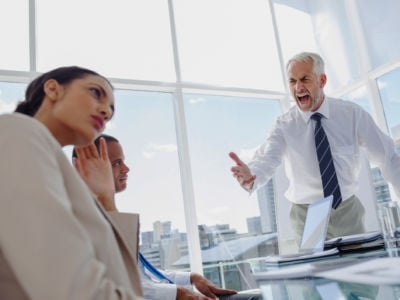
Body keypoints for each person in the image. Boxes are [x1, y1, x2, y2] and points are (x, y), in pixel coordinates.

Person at [0, 66, 142, 299]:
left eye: (111, 111)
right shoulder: (19, 132)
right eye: (96, 93)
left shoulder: (53, 165)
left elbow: (114, 271)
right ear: (53, 89)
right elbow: (68, 284)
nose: (106, 111)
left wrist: (105, 197)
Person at [230, 52, 400, 244]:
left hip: (346, 209)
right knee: (317, 271)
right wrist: (252, 177)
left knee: (358, 267)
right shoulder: (284, 125)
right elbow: (268, 158)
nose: (298, 87)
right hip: (308, 214)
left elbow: (388, 157)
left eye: (304, 79)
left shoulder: (351, 114)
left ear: (322, 80)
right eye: (292, 81)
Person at [73, 134, 263, 300]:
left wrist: (191, 278)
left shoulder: (107, 213)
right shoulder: (80, 221)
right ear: (84, 169)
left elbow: (142, 275)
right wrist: (176, 293)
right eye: (116, 163)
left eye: (123, 161)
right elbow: (121, 285)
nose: (126, 168)